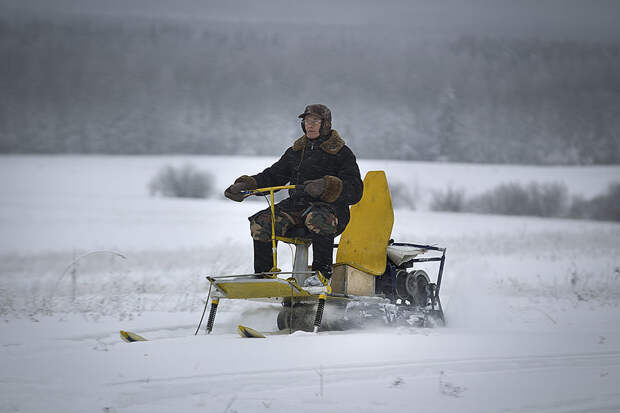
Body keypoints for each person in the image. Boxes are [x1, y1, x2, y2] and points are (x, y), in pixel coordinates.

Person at [224, 104, 363, 286]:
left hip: (332, 211)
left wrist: (326, 186)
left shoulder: (342, 153)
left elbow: (355, 190)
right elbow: (272, 176)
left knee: (317, 218)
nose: (309, 125)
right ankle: (264, 277)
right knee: (262, 221)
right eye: (306, 121)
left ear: (326, 124)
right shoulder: (295, 152)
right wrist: (246, 185)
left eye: (315, 121)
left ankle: (320, 276)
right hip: (296, 207)